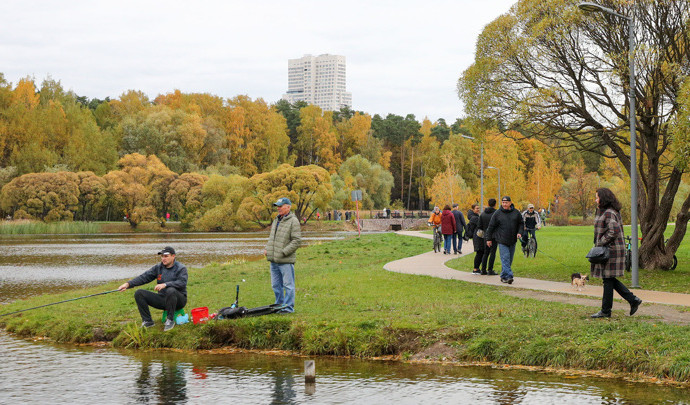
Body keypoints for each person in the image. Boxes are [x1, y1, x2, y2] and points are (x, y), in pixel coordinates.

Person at [590, 188, 642, 318]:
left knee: (608, 279)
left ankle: (606, 311)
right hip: (611, 249)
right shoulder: (607, 211)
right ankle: (632, 299)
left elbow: (614, 230)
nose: (595, 200)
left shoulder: (609, 213)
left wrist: (601, 242)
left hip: (611, 249)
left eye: (597, 197)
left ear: (604, 198)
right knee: (609, 278)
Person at [118, 246, 188, 331]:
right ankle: (148, 321)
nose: (163, 259)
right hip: (163, 300)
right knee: (139, 293)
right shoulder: (158, 267)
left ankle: (170, 320)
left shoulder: (181, 268)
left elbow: (182, 283)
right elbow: (144, 277)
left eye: (166, 256)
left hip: (179, 300)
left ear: (173, 256)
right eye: (162, 256)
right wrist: (128, 284)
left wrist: (165, 284)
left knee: (171, 290)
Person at [265, 197, 302, 313]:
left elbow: (296, 241)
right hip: (273, 260)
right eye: (277, 206)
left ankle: (288, 308)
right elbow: (273, 238)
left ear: (288, 207)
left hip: (285, 260)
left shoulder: (293, 221)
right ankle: (279, 306)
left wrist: (284, 252)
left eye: (281, 206)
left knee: (288, 286)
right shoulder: (276, 220)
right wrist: (268, 249)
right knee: (276, 285)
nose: (278, 208)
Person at [485, 196, 524, 284]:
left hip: (512, 240)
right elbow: (491, 227)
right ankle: (509, 276)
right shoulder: (497, 213)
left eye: (506, 203)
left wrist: (520, 232)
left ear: (510, 203)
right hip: (502, 240)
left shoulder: (516, 213)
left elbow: (521, 224)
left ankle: (503, 276)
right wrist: (489, 239)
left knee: (509, 260)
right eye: (503, 202)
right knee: (505, 258)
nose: (504, 204)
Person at [479, 199, 499, 276]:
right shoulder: (496, 213)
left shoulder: (483, 214)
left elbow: (479, 225)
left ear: (488, 204)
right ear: (495, 204)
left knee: (486, 252)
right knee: (492, 253)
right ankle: (490, 269)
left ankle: (483, 270)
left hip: (485, 236)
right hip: (494, 235)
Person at [467, 204, 484, 274]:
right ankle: (475, 269)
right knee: (479, 252)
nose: (478, 209)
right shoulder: (474, 218)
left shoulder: (474, 216)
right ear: (473, 209)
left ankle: (477, 268)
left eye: (479, 208)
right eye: (476, 208)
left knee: (480, 252)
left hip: (477, 236)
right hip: (477, 237)